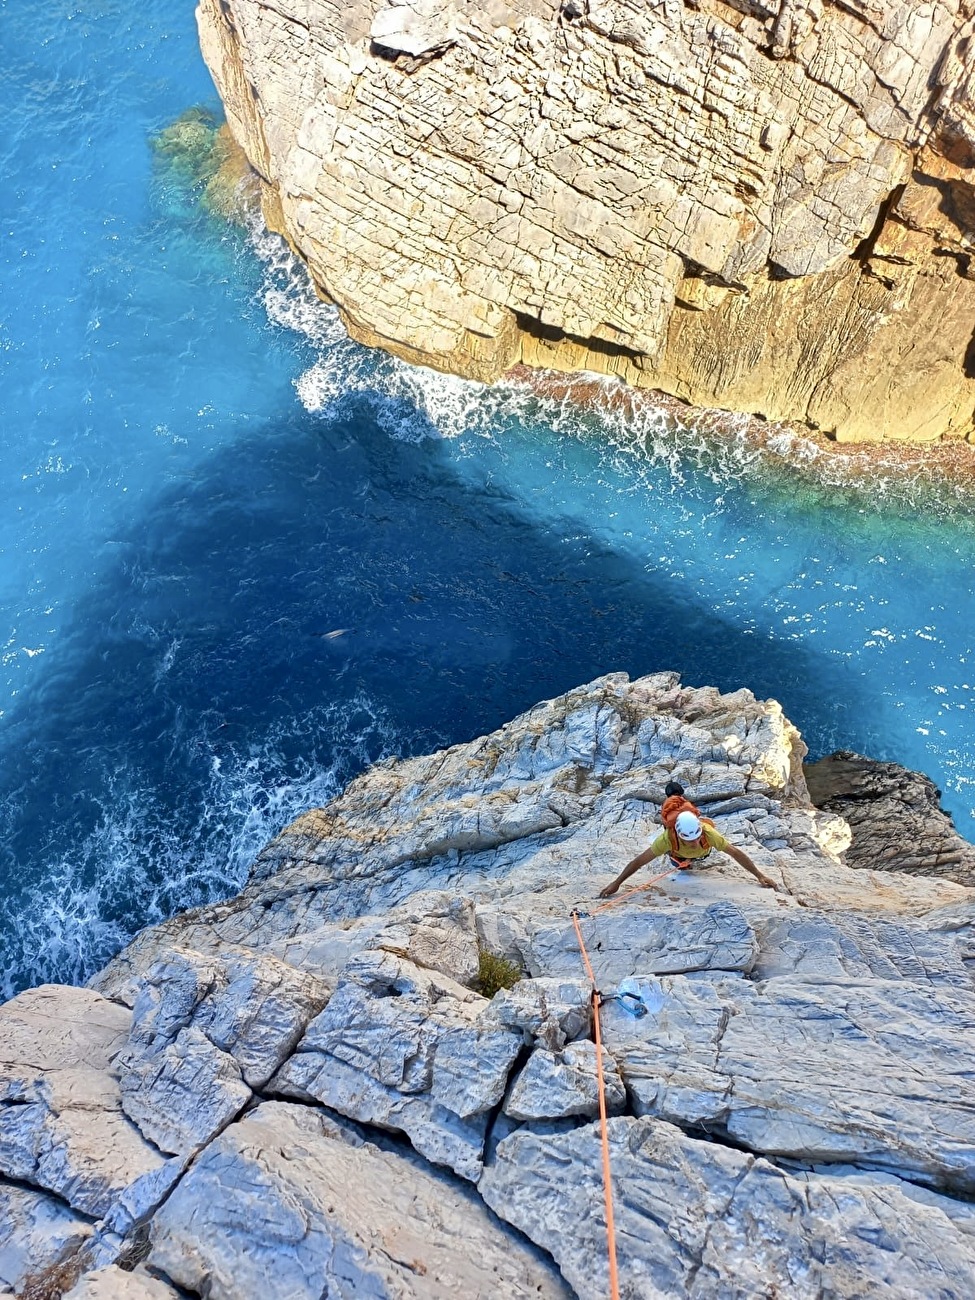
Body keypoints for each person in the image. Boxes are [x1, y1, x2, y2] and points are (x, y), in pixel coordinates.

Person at [598, 807, 779, 898]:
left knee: (693, 857)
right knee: (679, 864)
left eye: (695, 838)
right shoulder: (668, 839)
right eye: (688, 839)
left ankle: (686, 860)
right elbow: (639, 862)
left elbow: (735, 853)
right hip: (678, 853)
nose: (693, 842)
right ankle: (680, 860)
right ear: (678, 833)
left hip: (704, 853)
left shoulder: (708, 832)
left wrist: (759, 876)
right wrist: (617, 883)